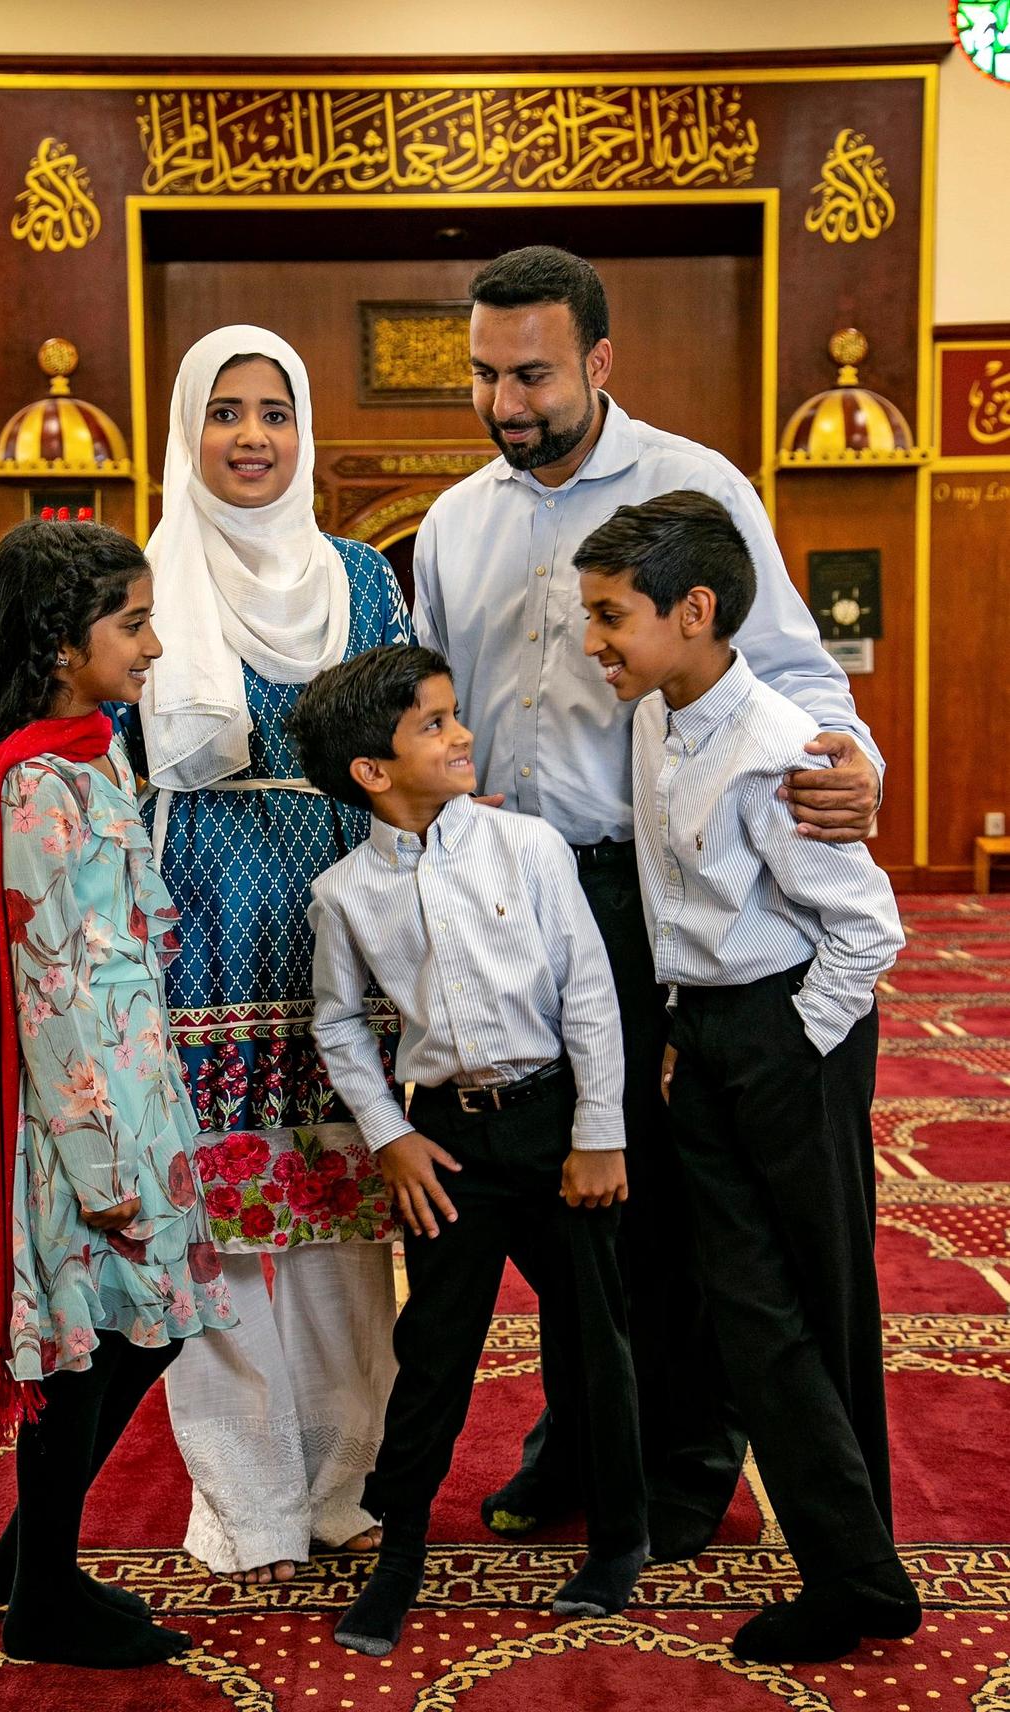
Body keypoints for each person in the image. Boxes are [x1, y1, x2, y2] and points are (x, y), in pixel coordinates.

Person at [413, 244, 887, 1561]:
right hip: (503, 895)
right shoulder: (453, 522)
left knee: (661, 1193)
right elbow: (434, 696)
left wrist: (854, 761)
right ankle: (584, 1434)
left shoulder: (697, 485)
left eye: (533, 375)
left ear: (601, 362)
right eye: (484, 376)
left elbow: (795, 669)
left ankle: (683, 1459)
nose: (506, 403)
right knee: (546, 1187)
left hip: (645, 892)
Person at [576, 491, 919, 1662]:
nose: (593, 640)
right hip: (709, 1033)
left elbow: (867, 928)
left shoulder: (777, 746)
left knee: (818, 1298)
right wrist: (688, 1023)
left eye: (611, 614)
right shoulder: (652, 717)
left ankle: (856, 1567)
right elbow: (681, 900)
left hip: (792, 1032)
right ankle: (859, 1569)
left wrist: (793, 1040)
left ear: (694, 609)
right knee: (748, 1304)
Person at [288, 643, 647, 1658]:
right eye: (435, 724)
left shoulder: (528, 846)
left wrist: (599, 1132)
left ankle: (619, 1539)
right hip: (446, 1145)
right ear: (372, 769)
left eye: (454, 714)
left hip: (555, 1126)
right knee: (435, 1351)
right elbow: (338, 1024)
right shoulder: (344, 892)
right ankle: (399, 1552)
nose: (462, 734)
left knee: (597, 1340)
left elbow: (588, 991)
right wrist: (391, 1132)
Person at [131, 326, 409, 1585]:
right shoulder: (148, 577)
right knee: (226, 1223)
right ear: (188, 427)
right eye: (226, 410)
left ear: (304, 433)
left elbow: (404, 738)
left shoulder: (363, 577)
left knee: (344, 1215)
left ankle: (341, 1481)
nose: (251, 435)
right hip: (195, 923)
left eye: (275, 411)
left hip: (339, 921)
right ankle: (248, 1496)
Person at [0, 518, 234, 1669]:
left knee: (148, 1328)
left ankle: (30, 1555)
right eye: (133, 623)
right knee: (94, 1344)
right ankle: (45, 1595)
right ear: (62, 642)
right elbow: (51, 986)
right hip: (81, 1120)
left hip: (132, 1084)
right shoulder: (33, 782)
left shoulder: (90, 752)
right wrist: (104, 1165)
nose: (154, 645)